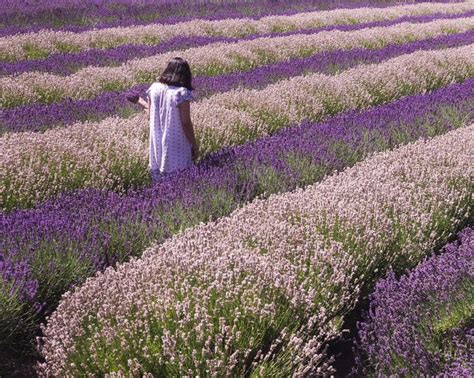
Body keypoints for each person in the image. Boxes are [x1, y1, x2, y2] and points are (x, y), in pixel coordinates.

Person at [130, 57, 199, 183]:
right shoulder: (181, 93)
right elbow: (186, 122)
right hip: (176, 142)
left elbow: (151, 115)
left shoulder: (154, 88)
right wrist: (194, 145)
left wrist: (140, 102)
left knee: (161, 182)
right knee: (180, 181)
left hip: (157, 141)